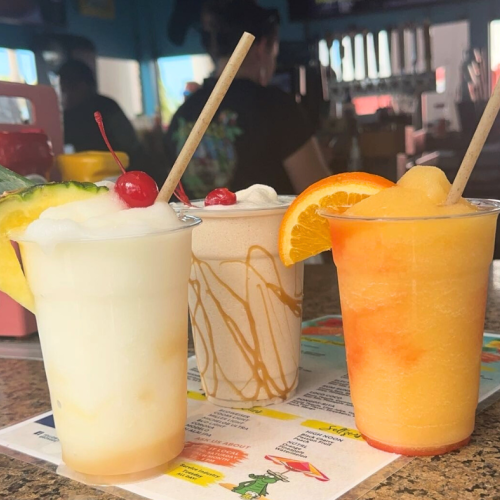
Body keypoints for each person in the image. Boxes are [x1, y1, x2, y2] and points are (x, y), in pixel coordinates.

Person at [162, 0, 329, 198]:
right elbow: (322, 198)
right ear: (262, 46)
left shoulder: (182, 113)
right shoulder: (278, 108)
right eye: (275, 52)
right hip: (269, 229)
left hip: (197, 230)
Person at [58, 59, 148, 172]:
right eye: (62, 89)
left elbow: (131, 147)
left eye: (66, 88)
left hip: (119, 174)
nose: (63, 94)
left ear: (83, 86)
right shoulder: (65, 116)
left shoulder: (107, 107)